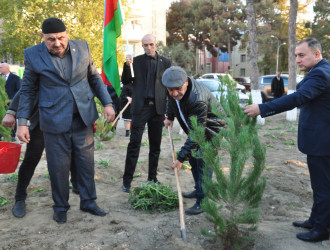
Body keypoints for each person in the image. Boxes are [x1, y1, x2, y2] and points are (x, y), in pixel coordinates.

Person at [244, 38, 330, 242]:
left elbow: (297, 98)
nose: (297, 60)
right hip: (322, 138)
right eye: (296, 56)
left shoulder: (321, 74)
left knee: (324, 187)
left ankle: (321, 230)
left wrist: (262, 108)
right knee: (319, 185)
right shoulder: (324, 69)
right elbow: (302, 94)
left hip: (324, 139)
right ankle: (315, 220)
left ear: (316, 54)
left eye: (302, 55)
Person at [16, 17, 115, 224]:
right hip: (53, 121)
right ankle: (60, 207)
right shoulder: (32, 55)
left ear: (67, 33)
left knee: (86, 164)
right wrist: (22, 122)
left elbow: (94, 78)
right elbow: (27, 90)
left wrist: (107, 103)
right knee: (58, 166)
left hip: (83, 117)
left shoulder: (83, 47)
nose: (57, 43)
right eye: (51, 39)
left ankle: (88, 201)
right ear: (42, 37)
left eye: (61, 37)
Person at [2, 90, 79, 218]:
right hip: (40, 120)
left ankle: (76, 185)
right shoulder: (43, 70)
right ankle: (20, 198)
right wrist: (11, 112)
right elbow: (26, 89)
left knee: (69, 156)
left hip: (65, 119)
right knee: (31, 159)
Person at [162, 66, 225, 215]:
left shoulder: (197, 99)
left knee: (203, 162)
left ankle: (203, 201)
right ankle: (198, 189)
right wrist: (169, 116)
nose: (174, 93)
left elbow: (197, 134)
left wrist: (180, 158)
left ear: (186, 82)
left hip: (212, 131)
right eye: (171, 90)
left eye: (177, 89)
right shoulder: (172, 89)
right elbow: (172, 102)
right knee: (194, 162)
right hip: (197, 129)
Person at [121, 34, 171, 193]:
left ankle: (152, 178)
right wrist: (127, 65)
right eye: (145, 45)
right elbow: (127, 80)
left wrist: (170, 113)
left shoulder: (166, 63)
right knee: (134, 144)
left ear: (156, 44)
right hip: (140, 108)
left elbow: (169, 87)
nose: (148, 48)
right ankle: (127, 182)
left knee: (155, 146)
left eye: (151, 44)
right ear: (142, 46)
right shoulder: (136, 61)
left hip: (158, 109)